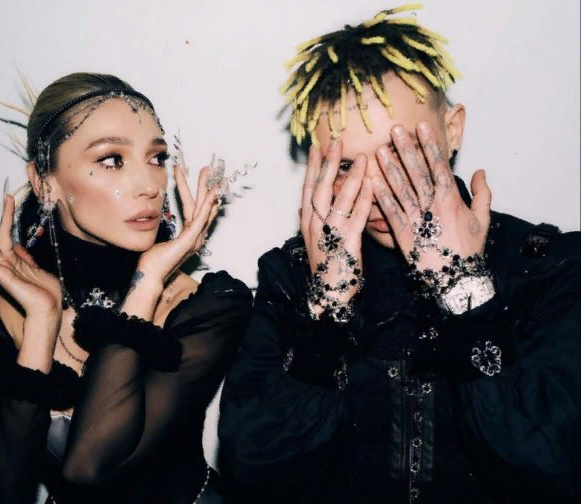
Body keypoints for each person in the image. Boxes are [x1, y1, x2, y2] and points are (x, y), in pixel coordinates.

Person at [218, 4, 580, 503]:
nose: (377, 190)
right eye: (347, 166)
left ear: (452, 129)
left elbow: (554, 470)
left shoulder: (548, 264)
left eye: (398, 153)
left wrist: (465, 294)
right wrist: (328, 310)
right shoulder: (290, 275)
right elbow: (255, 473)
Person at [0, 72, 252, 503]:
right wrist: (41, 320)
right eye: (112, 160)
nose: (150, 186)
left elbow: (89, 467)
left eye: (157, 158)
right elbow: (2, 488)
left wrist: (147, 281)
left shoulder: (205, 305)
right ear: (44, 182)